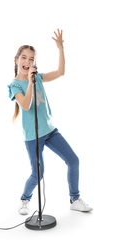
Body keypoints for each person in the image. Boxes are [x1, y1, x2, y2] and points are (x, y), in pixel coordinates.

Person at [8, 29, 93, 215]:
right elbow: (26, 105)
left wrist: (61, 49)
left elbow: (60, 72)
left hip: (50, 131)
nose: (28, 62)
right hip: (33, 136)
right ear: (16, 60)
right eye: (24, 58)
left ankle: (75, 198)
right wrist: (30, 83)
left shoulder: (38, 77)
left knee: (73, 160)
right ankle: (25, 199)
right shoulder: (15, 85)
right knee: (38, 173)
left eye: (32, 59)